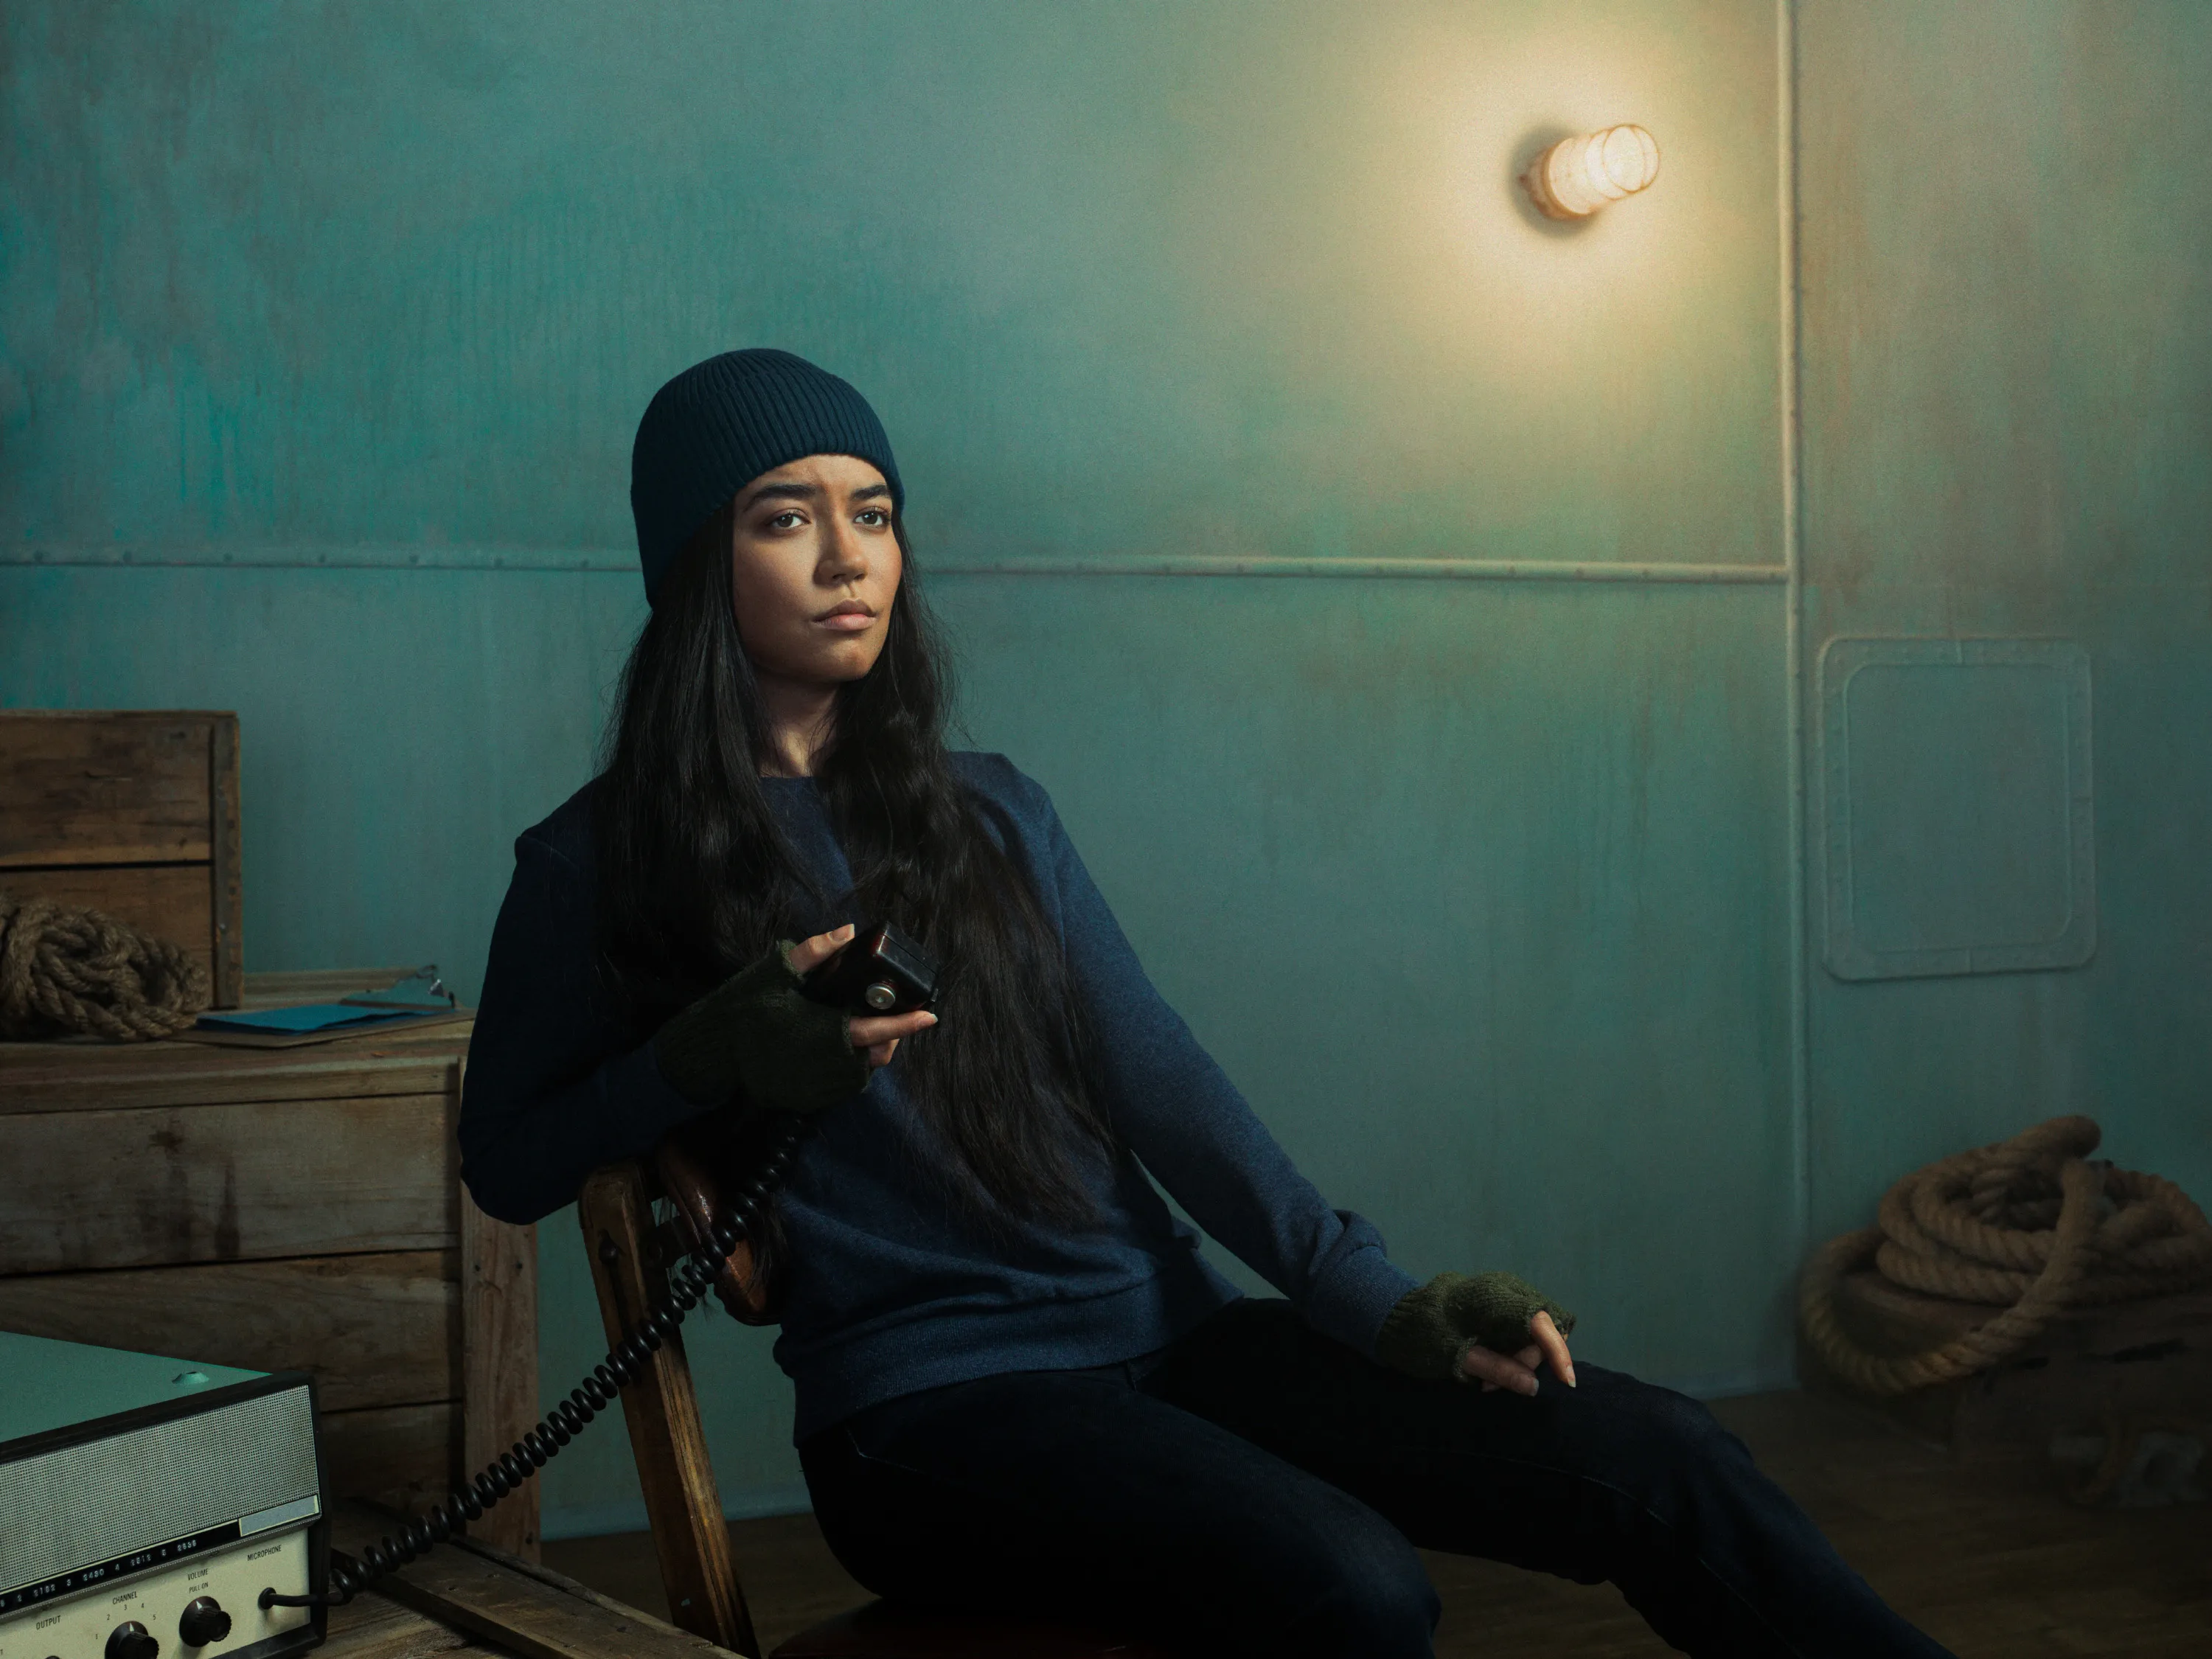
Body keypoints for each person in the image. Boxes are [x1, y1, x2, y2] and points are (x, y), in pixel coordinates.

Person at [459, 349, 1954, 1659]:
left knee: (1657, 1450)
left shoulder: (990, 815)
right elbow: (509, 1162)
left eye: (876, 512)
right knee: (1351, 1586)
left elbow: (1161, 1078)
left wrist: (1383, 1308)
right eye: (786, 518)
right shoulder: (595, 862)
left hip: (1175, 1339)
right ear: (694, 563)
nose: (848, 557)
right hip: (926, 1422)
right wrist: (701, 1055)